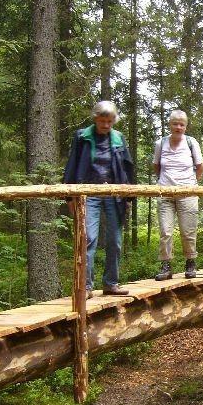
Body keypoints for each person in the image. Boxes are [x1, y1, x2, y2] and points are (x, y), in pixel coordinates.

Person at [63, 100, 135, 297]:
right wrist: (69, 197)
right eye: (102, 121)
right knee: (88, 238)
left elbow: (127, 168)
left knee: (115, 239)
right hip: (88, 192)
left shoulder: (119, 138)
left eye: (109, 121)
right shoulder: (82, 136)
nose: (105, 125)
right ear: (95, 119)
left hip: (114, 193)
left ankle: (111, 283)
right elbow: (72, 164)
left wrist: (129, 197)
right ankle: (86, 287)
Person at [153, 109, 203, 280]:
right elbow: (156, 166)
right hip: (165, 192)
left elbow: (200, 167)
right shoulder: (161, 143)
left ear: (186, 126)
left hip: (188, 192)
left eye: (181, 124)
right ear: (170, 124)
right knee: (165, 231)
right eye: (175, 123)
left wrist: (192, 184)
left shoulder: (191, 143)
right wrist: (163, 182)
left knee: (188, 231)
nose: (178, 127)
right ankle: (166, 265)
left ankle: (190, 262)